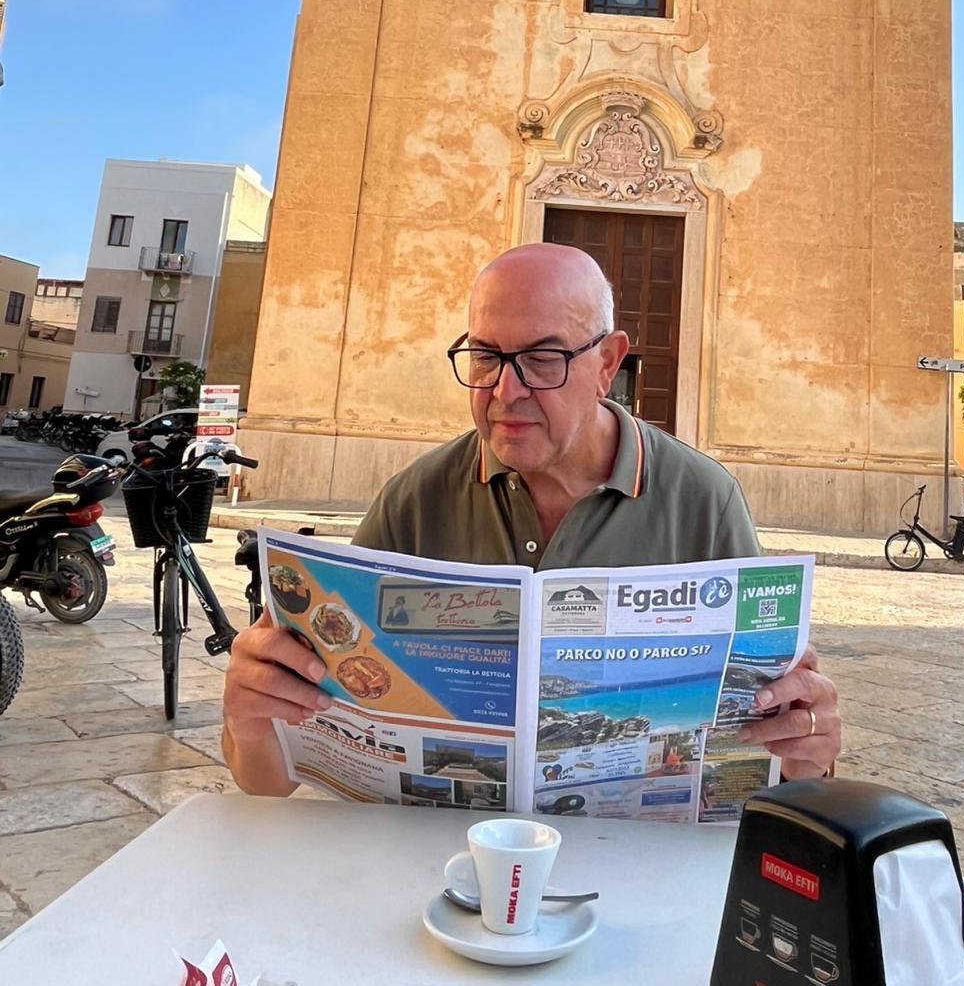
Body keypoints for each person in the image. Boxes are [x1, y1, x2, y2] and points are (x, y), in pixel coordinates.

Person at [222, 243, 842, 795]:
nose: (505, 390)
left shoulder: (704, 502)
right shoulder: (413, 502)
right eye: (487, 356)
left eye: (543, 358)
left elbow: (772, 764)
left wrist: (803, 752)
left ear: (608, 363)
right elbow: (268, 782)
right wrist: (251, 725)